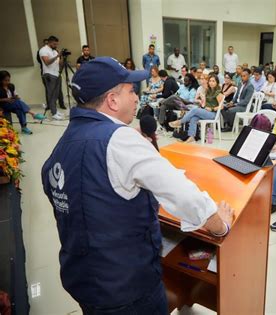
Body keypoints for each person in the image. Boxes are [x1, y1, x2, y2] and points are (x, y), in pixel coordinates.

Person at [42, 57, 234, 314]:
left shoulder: (64, 142)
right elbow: (185, 196)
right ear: (112, 100)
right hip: (127, 288)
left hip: (82, 280)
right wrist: (220, 225)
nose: (136, 98)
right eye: (131, 91)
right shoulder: (119, 140)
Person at [169, 74, 224, 143]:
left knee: (194, 110)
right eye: (210, 81)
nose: (211, 83)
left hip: (213, 114)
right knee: (194, 117)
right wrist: (202, 102)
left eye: (213, 81)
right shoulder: (208, 91)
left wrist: (212, 109)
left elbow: (221, 107)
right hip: (206, 111)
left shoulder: (218, 93)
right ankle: (192, 137)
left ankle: (180, 122)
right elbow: (205, 104)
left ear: (217, 82)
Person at [39, 35, 64, 120]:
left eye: (56, 44)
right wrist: (57, 56)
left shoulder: (55, 51)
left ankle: (55, 111)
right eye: (54, 44)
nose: (56, 45)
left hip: (57, 74)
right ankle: (53, 113)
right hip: (49, 74)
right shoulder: (43, 50)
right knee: (51, 94)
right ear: (49, 42)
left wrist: (62, 57)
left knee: (56, 94)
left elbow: (59, 63)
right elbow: (47, 62)